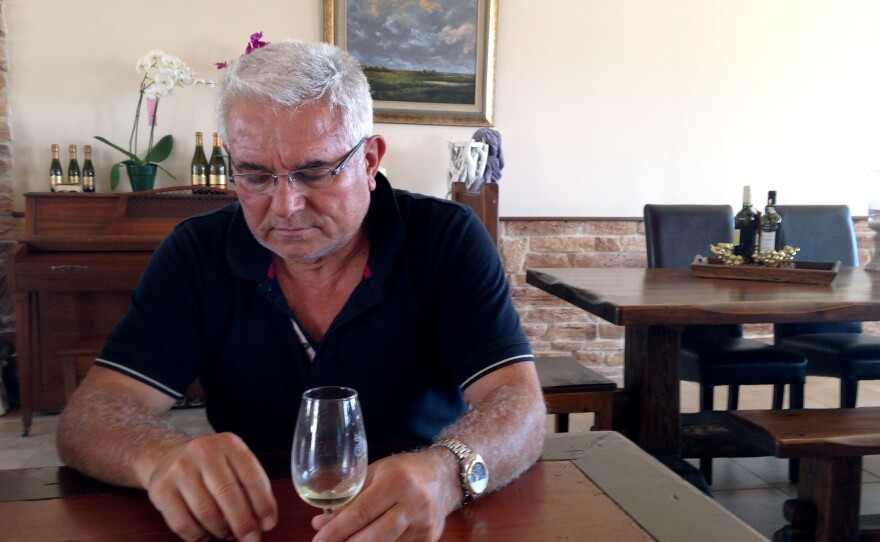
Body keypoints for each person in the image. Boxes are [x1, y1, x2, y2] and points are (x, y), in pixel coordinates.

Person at [56, 39, 545, 542]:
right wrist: (158, 456)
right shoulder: (197, 252)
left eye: (314, 172)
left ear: (370, 159)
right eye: (255, 175)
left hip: (426, 518)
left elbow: (519, 405)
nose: (285, 205)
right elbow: (91, 415)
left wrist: (446, 472)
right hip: (255, 521)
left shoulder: (445, 239)